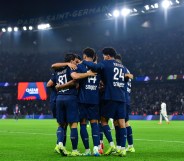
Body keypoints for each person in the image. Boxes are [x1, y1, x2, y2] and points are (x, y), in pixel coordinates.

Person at [82, 47, 128, 157]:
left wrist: (83, 61)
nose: (103, 58)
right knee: (121, 123)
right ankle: (122, 149)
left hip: (110, 96)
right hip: (122, 97)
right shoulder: (122, 66)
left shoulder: (106, 63)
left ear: (107, 55)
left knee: (103, 120)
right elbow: (126, 78)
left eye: (104, 56)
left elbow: (94, 66)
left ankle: (111, 144)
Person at [52, 53, 96, 156]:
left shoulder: (58, 70)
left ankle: (60, 144)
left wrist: (59, 87)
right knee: (74, 125)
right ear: (72, 60)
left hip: (59, 98)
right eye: (75, 61)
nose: (76, 63)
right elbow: (74, 79)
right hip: (70, 98)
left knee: (61, 124)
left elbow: (52, 68)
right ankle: (75, 150)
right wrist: (88, 74)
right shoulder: (71, 68)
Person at [72, 47, 101, 156]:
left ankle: (87, 150)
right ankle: (96, 149)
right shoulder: (98, 67)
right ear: (93, 56)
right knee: (94, 124)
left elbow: (75, 79)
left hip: (83, 99)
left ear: (84, 56)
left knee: (83, 124)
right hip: (94, 99)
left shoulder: (80, 66)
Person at [114, 54, 135, 153]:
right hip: (126, 98)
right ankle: (130, 145)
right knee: (124, 122)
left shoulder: (120, 69)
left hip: (121, 98)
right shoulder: (127, 69)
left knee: (121, 123)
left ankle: (122, 146)